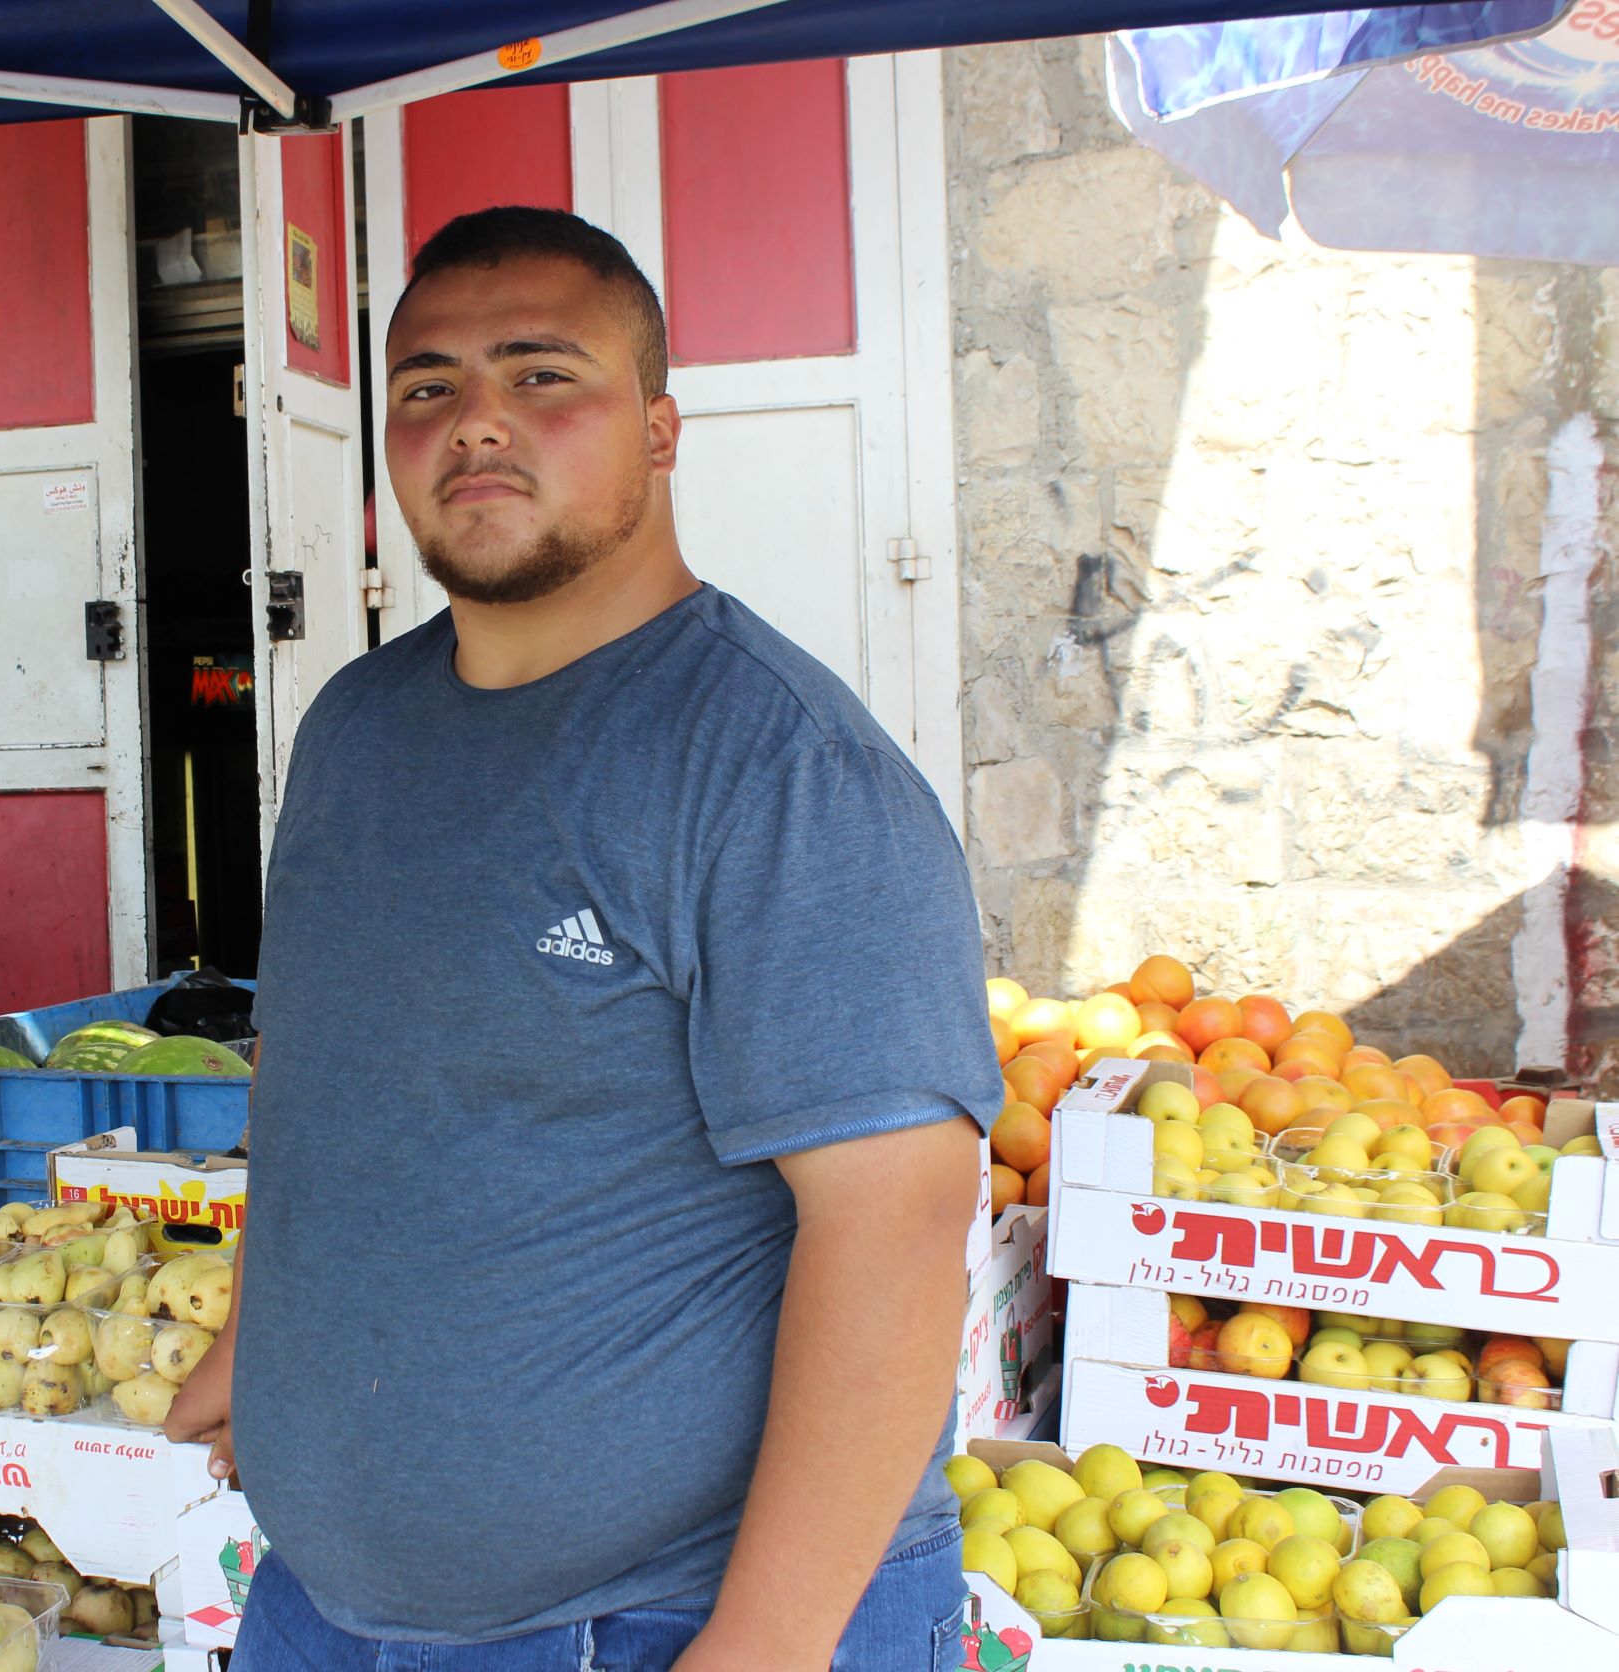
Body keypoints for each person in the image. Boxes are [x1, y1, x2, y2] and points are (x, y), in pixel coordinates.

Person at [166, 207, 1003, 1672]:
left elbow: (898, 1230)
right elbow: (328, 1086)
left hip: (657, 1625)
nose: (477, 422)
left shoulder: (778, 770)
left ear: (663, 429)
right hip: (328, 1604)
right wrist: (265, 1340)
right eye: (427, 386)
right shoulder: (356, 731)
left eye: (544, 374)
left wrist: (762, 1651)